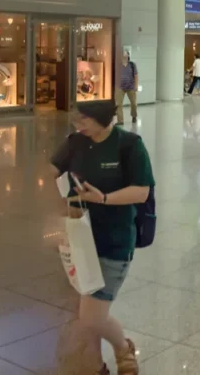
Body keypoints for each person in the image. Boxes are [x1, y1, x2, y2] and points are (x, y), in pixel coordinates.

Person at [49, 100, 153, 375]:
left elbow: (141, 192)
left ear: (104, 120)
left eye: (83, 120)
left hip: (114, 239)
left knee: (91, 316)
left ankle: (122, 348)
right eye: (75, 119)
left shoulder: (129, 145)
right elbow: (51, 170)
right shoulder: (75, 142)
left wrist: (103, 198)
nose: (77, 125)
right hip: (79, 238)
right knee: (85, 311)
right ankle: (94, 367)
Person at [115, 51, 138, 126]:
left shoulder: (132, 65)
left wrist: (136, 86)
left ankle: (134, 116)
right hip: (120, 87)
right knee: (119, 104)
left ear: (128, 55)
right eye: (123, 54)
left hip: (130, 87)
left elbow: (136, 76)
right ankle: (120, 121)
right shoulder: (118, 65)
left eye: (125, 54)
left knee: (134, 103)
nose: (124, 55)